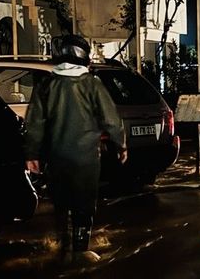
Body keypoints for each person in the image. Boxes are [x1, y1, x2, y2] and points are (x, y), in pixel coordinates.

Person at [24, 35, 127, 263]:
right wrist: (121, 144)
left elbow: (35, 123)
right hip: (86, 158)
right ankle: (80, 249)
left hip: (56, 157)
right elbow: (111, 119)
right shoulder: (92, 84)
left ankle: (62, 246)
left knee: (61, 201)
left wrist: (32, 154)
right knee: (84, 202)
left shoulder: (46, 85)